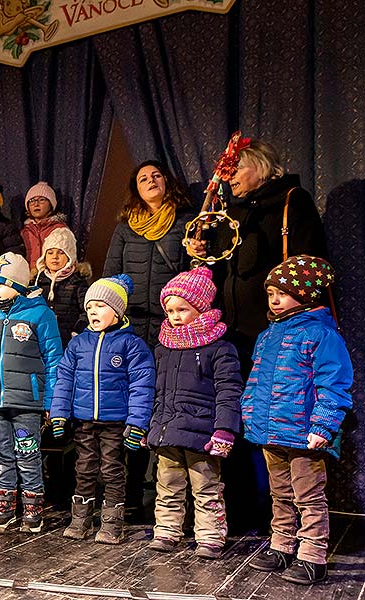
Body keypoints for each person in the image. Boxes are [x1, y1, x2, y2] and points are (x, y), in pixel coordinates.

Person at [242, 256, 352, 585]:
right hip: (270, 430)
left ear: (305, 294)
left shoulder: (320, 333)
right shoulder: (268, 334)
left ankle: (313, 556)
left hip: (304, 433)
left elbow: (334, 383)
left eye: (282, 293)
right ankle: (282, 546)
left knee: (308, 495)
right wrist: (250, 413)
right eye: (270, 293)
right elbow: (257, 380)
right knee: (280, 494)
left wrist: (323, 427)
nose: (274, 300)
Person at [187, 140, 328, 368]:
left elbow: (310, 264)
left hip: (278, 331)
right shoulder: (232, 210)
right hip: (232, 333)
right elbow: (221, 267)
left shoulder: (292, 201)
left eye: (237, 169)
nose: (230, 176)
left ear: (262, 167)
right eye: (228, 171)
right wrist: (204, 253)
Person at [51, 274, 155, 544]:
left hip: (115, 421)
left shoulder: (131, 345)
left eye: (100, 306)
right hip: (84, 421)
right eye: (89, 307)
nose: (93, 312)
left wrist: (137, 424)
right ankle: (81, 519)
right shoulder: (78, 344)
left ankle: (111, 523)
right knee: (84, 469)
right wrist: (60, 412)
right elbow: (64, 380)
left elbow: (142, 387)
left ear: (118, 311)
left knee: (112, 470)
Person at [147, 267, 242, 559]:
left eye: (182, 309)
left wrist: (224, 429)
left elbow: (229, 391)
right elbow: (158, 393)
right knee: (168, 485)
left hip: (202, 433)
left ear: (200, 308)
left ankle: (211, 536)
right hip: (168, 430)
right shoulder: (164, 347)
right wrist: (151, 426)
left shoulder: (219, 348)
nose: (175, 316)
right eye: (170, 310)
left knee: (206, 487)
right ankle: (166, 530)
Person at [0, 252, 62, 533]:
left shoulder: (40, 314)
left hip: (27, 403)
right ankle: (5, 507)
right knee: (1, 456)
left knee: (27, 455)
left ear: (17, 283)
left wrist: (50, 401)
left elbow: (53, 360)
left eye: (0, 284)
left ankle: (33, 510)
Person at [103, 160, 195, 346]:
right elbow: (111, 273)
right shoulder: (125, 226)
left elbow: (193, 271)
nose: (151, 181)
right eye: (143, 179)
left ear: (166, 181)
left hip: (171, 319)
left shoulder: (186, 221)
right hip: (131, 320)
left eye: (156, 176)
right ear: (136, 189)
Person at [33, 227, 90, 343]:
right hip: (39, 337)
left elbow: (87, 310)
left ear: (70, 257)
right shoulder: (36, 281)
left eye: (61, 253)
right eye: (50, 252)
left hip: (66, 339)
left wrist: (76, 331)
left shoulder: (78, 282)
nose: (55, 257)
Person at [21, 181, 69, 272]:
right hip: (28, 277)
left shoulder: (60, 229)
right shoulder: (25, 231)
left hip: (51, 277)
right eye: (32, 201)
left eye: (42, 199)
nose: (36, 204)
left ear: (51, 204)